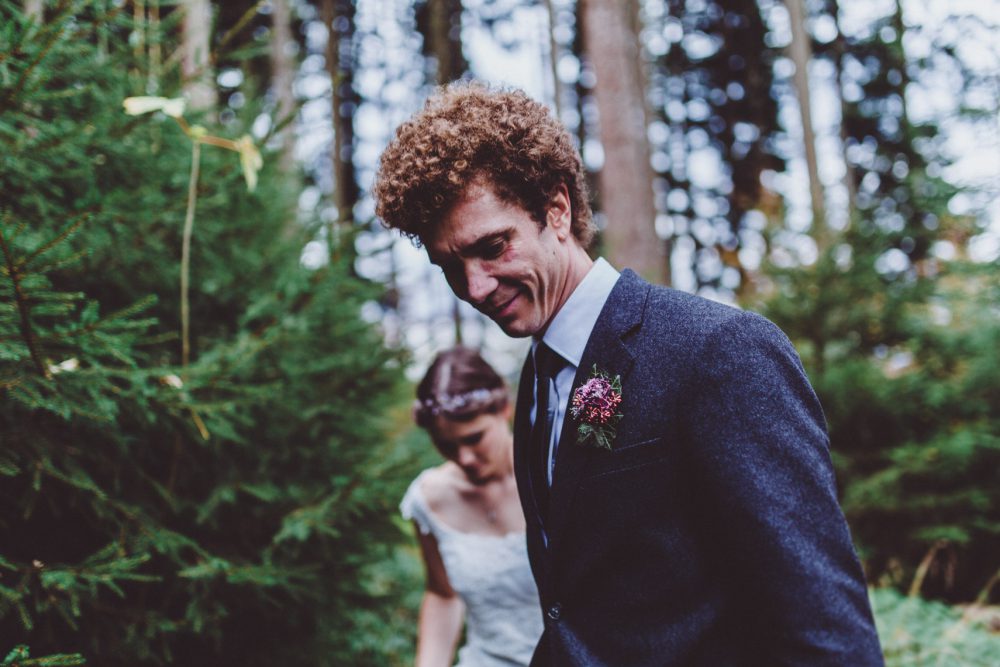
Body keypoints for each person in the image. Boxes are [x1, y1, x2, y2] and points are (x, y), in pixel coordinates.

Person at [377, 83, 884, 666]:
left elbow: (822, 621)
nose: (474, 288)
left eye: (492, 246)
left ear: (557, 209)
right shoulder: (537, 381)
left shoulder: (717, 351)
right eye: (450, 267)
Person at [401, 346, 544, 667]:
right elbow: (442, 593)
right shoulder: (430, 498)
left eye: (474, 438)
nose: (464, 458)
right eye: (446, 445)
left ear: (505, 409)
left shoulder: (554, 476)